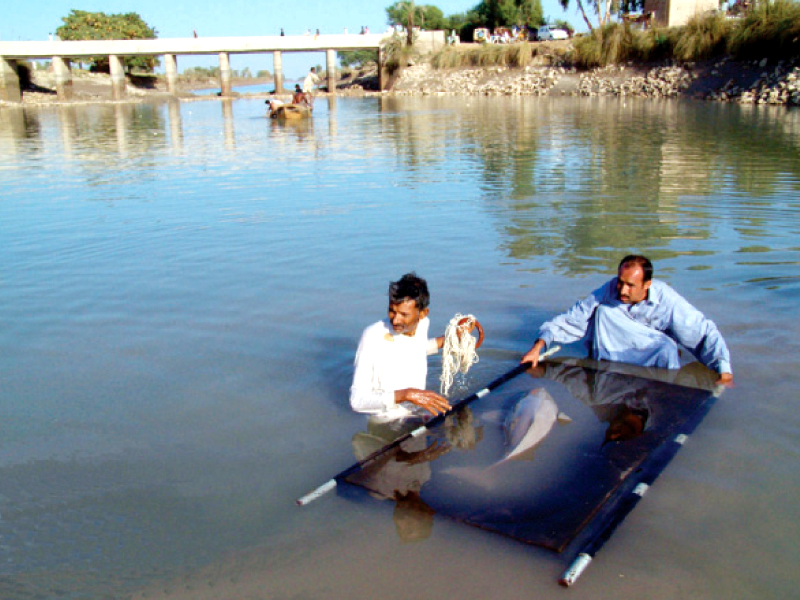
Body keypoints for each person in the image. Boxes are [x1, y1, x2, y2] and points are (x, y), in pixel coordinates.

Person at [521, 255, 733, 386]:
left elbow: (702, 332)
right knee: (603, 312)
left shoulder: (666, 299)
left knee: (668, 348)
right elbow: (571, 319)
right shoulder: (609, 289)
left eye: (630, 285)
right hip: (609, 360)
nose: (622, 290)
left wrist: (723, 370)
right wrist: (539, 347)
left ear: (647, 284)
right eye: (620, 282)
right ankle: (604, 375)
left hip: (654, 357)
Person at [350, 273, 451, 419]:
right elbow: (357, 401)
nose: (396, 320)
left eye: (404, 314)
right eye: (392, 311)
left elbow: (410, 350)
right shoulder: (372, 336)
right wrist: (406, 395)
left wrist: (448, 340)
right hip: (387, 421)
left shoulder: (423, 324)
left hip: (418, 411)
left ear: (422, 313)